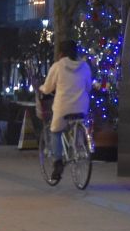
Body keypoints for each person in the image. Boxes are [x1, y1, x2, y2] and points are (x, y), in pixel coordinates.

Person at [36, 39, 92, 183]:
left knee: (55, 131)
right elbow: (88, 87)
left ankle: (58, 163)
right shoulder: (85, 66)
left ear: (61, 53)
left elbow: (47, 88)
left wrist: (41, 89)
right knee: (77, 123)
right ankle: (78, 146)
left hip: (63, 107)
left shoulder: (58, 66)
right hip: (82, 106)